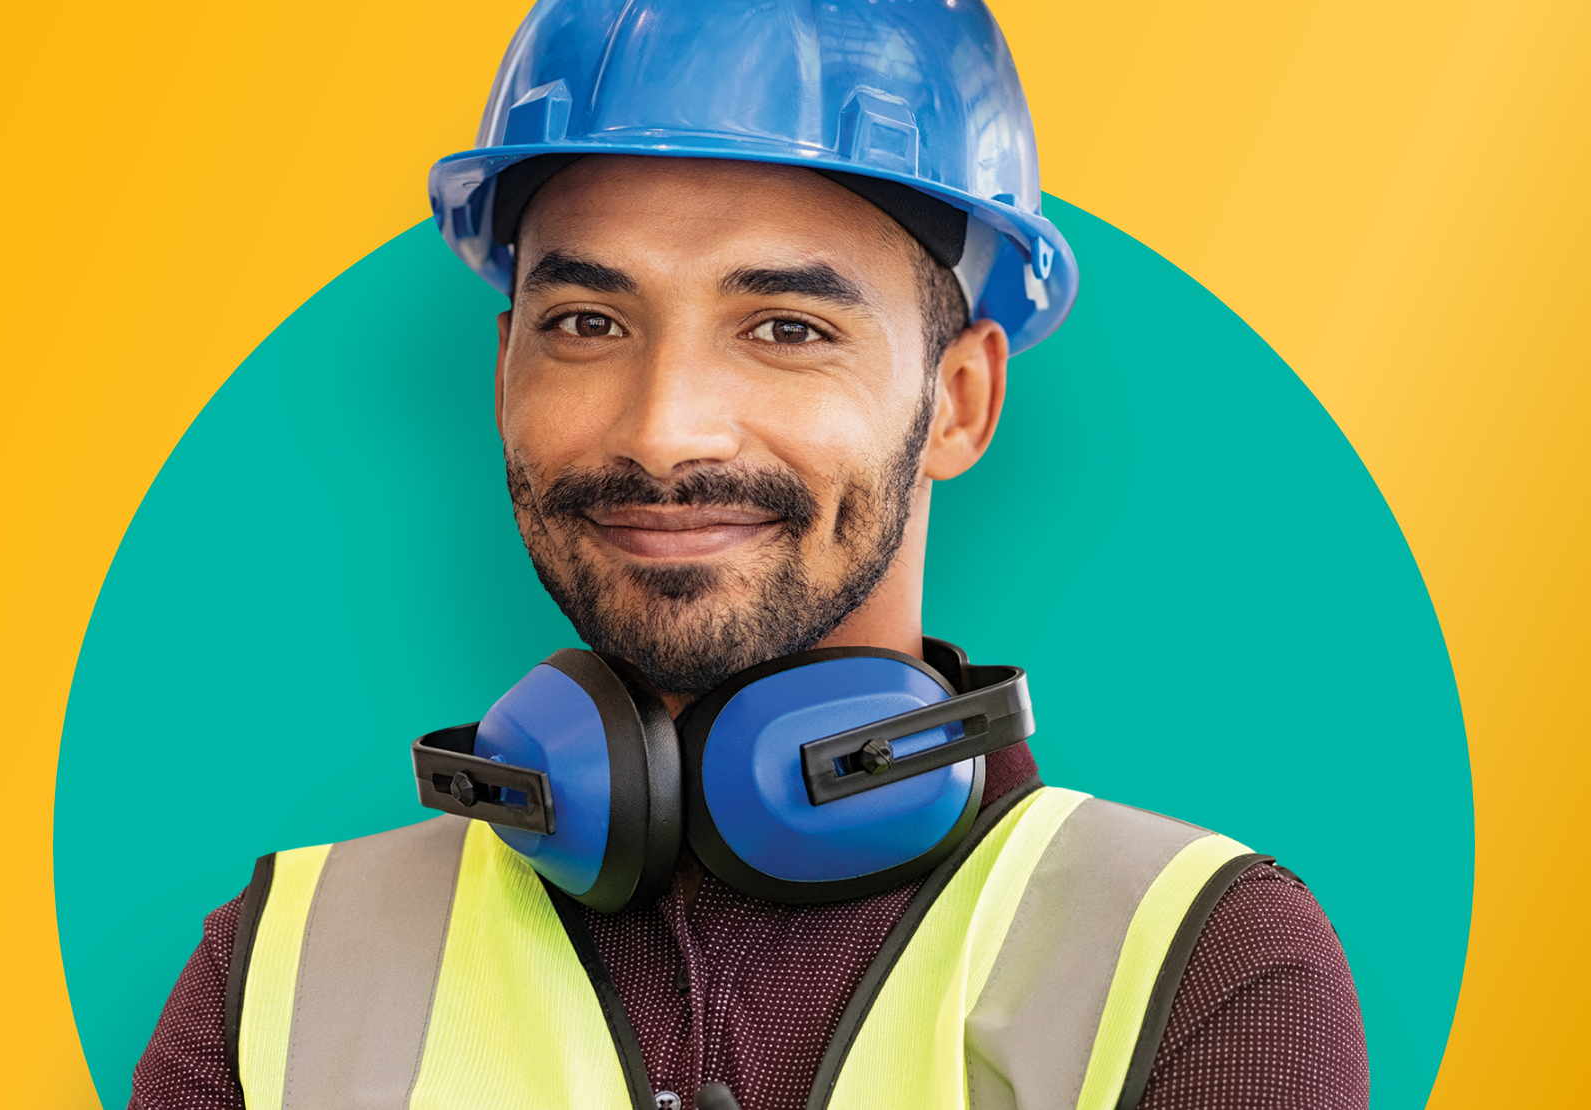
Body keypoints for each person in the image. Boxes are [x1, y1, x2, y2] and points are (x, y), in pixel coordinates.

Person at [130, 2, 1364, 1108]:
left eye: (785, 327)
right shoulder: (275, 978)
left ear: (962, 401)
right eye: (588, 323)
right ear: (505, 372)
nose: (665, 428)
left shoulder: (1200, 966)